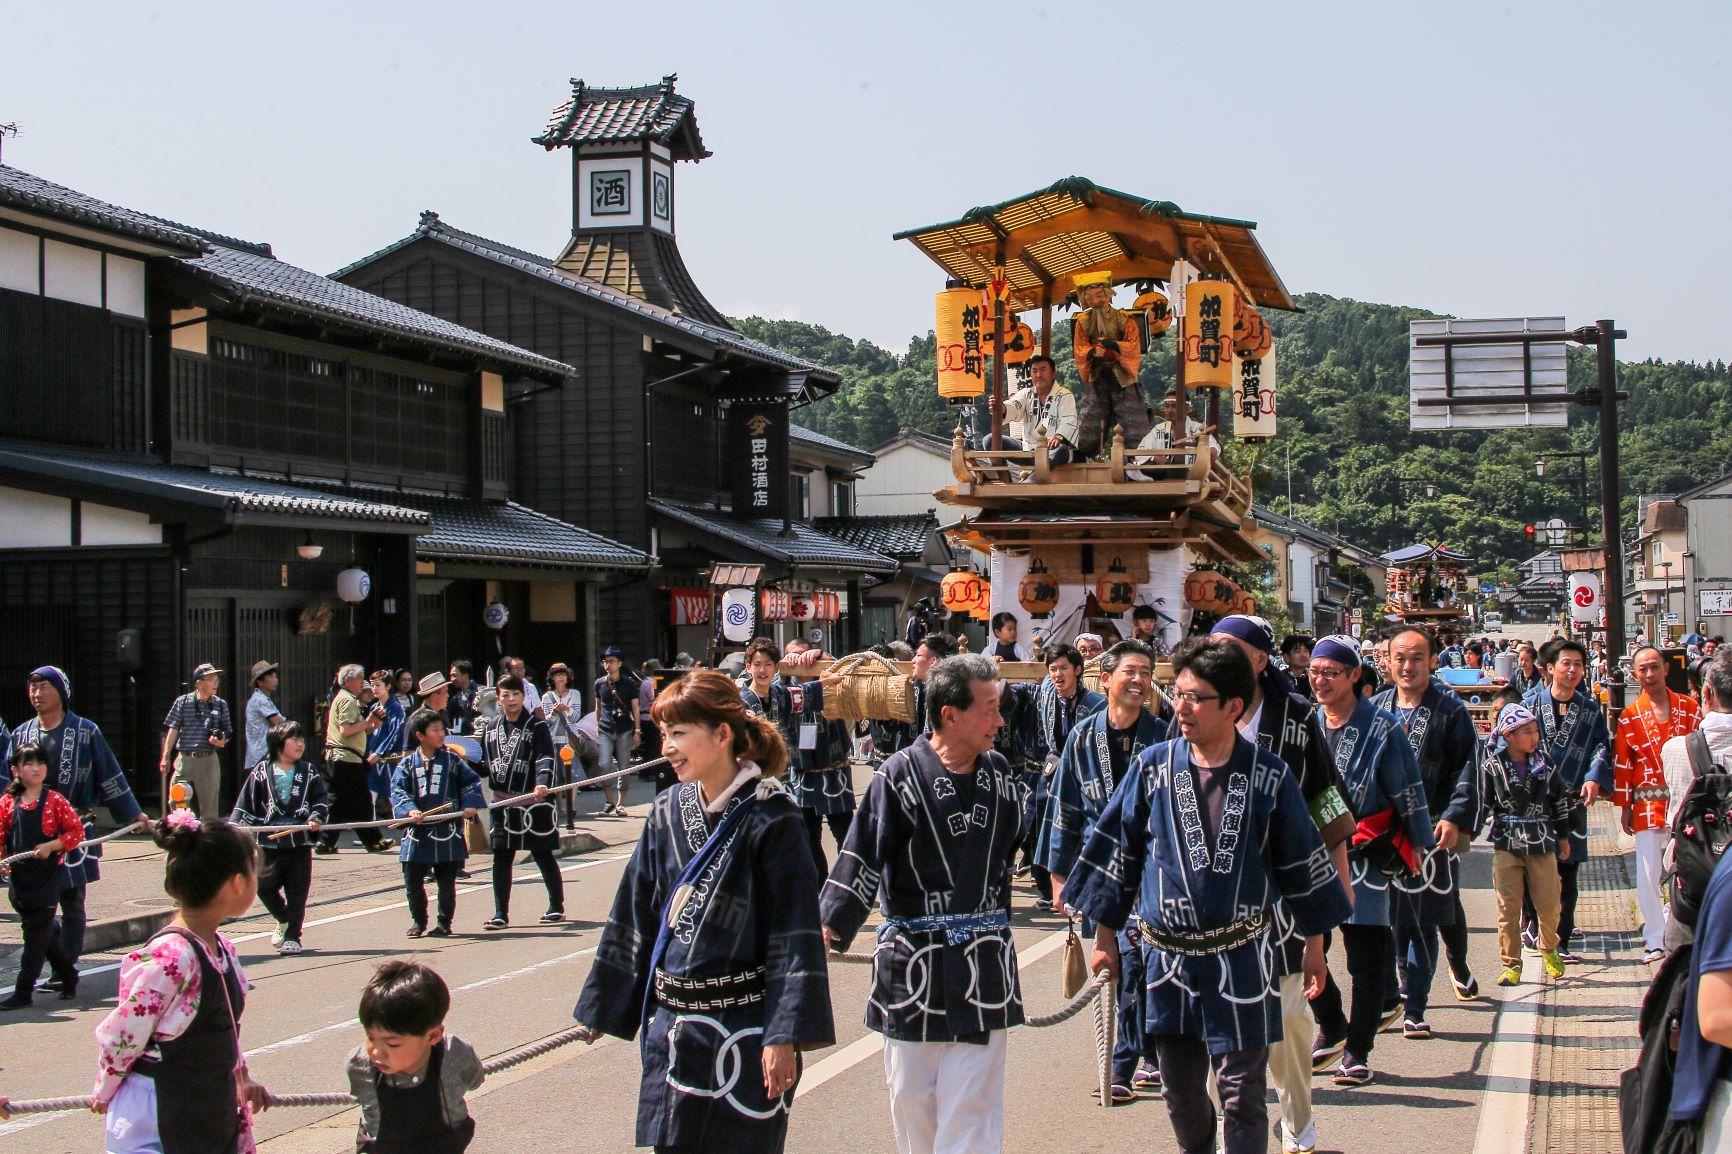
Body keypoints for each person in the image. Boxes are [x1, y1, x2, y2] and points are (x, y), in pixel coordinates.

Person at [1068, 639, 1352, 1154]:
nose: (1180, 708)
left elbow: (1299, 864)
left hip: (1244, 956)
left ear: (1233, 707)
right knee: (1181, 1096)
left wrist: (1315, 945)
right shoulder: (1153, 767)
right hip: (1168, 961)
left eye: (1195, 698)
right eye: (1177, 694)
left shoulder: (1269, 775)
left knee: (1243, 1094)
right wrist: (1105, 937)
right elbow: (1120, 853)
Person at [573, 670, 834, 1153]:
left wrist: (784, 1036)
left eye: (679, 734)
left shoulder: (774, 817)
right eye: (663, 735)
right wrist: (602, 1003)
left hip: (746, 1029)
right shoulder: (667, 809)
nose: (667, 747)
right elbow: (635, 909)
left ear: (722, 734)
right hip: (674, 1029)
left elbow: (793, 933)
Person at [822, 655, 1024, 1153]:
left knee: (973, 1111)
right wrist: (829, 925)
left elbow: (1038, 838)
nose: (1000, 721)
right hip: (912, 964)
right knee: (912, 1101)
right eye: (990, 709)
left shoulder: (1000, 775)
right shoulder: (899, 775)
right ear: (950, 715)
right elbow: (861, 852)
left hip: (983, 963)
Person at [1209, 615, 1354, 1154]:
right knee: (1218, 1019)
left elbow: (1325, 794)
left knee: (1290, 1017)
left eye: (1229, 648)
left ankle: (1298, 1117)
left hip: (1284, 884)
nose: (1216, 655)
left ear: (1259, 660)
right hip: (1212, 887)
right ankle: (1232, 1130)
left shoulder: (1295, 715)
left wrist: (1338, 869)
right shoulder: (1193, 702)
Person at [91, 814, 270, 1153]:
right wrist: (106, 1087)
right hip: (160, 1106)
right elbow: (124, 1034)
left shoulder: (223, 951)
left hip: (207, 1101)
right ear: (235, 883)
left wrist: (241, 1076)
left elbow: (224, 1028)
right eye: (253, 873)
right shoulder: (170, 957)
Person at [1305, 635, 1434, 1087]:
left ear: (1355, 676)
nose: (1320, 681)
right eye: (1314, 671)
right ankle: (1332, 1020)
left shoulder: (1381, 726)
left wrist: (1421, 843)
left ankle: (1358, 1050)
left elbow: (1407, 786)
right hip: (1310, 856)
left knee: (1365, 955)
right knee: (1298, 948)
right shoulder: (1304, 723)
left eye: (1330, 673)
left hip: (1364, 853)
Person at [1043, 639, 1167, 1101]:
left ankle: (1124, 1065)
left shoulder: (1164, 734)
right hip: (1099, 865)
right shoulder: (1082, 736)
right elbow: (1065, 809)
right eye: (1130, 671)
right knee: (1111, 967)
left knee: (1138, 965)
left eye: (1146, 672)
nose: (1139, 680)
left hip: (1150, 866)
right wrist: (1059, 877)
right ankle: (1146, 1053)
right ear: (1107, 679)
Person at [1372, 625, 1482, 1032]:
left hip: (1434, 831)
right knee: (1395, 920)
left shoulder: (1450, 710)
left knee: (1425, 917)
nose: (1407, 665)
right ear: (1387, 660)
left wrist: (1455, 816)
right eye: (1399, 657)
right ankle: (1405, 990)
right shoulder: (1378, 709)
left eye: (1417, 657)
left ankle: (1415, 1005)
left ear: (1433, 661)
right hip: (1385, 834)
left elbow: (1467, 766)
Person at [5, 665, 146, 980]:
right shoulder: (21, 734)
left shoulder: (85, 731)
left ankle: (62, 967)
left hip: (73, 829)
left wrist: (131, 813)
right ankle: (62, 965)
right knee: (27, 903)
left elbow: (109, 773)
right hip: (28, 833)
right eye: (33, 688)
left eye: (44, 687)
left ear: (62, 692)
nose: (37, 694)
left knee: (72, 901)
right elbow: (7, 786)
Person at [1521, 638, 1612, 961]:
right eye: (1566, 664)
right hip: (1534, 801)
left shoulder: (1589, 710)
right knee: (1532, 868)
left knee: (1568, 872)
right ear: (1551, 668)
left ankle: (1560, 939)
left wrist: (1592, 779)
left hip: (1572, 802)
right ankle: (1533, 922)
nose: (1572, 670)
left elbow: (1602, 747)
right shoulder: (1529, 706)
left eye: (1578, 665)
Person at [1617, 645, 1703, 963]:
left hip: (1687, 800)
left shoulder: (1691, 708)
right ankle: (1654, 936)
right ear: (1635, 674)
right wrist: (1624, 805)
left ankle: (1683, 932)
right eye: (1643, 669)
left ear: (1666, 668)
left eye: (1655, 667)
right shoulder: (1629, 717)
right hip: (1646, 803)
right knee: (1649, 872)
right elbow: (1623, 762)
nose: (1650, 674)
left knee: (1690, 868)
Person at [1478, 704, 1575, 987]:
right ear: (1508, 735)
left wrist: (1565, 836)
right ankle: (1511, 964)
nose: (1534, 737)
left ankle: (1548, 946)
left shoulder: (1544, 764)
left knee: (1549, 903)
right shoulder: (1492, 766)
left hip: (1542, 839)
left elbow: (1560, 800)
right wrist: (1465, 831)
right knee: (1507, 908)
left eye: (1535, 731)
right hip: (1507, 840)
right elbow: (1483, 803)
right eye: (1527, 732)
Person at [737, 639, 851, 874]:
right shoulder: (742, 700)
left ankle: (839, 885)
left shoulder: (781, 694)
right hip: (766, 780)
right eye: (757, 664)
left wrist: (822, 662)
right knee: (790, 840)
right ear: (748, 666)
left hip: (827, 770)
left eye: (768, 664)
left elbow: (815, 688)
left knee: (846, 834)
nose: (762, 670)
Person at [349, 960, 484, 1153]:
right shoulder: (360, 1065)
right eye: (371, 1037)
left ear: (433, 1036)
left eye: (392, 1043)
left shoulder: (453, 1054)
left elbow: (474, 1079)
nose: (377, 1052)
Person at [1006, 643, 1103, 911]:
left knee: (1080, 834)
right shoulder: (1042, 695)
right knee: (1038, 832)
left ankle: (1080, 889)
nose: (1057, 674)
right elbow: (1010, 697)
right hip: (1049, 774)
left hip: (1084, 778)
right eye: (1053, 669)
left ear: (1078, 670)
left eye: (1063, 668)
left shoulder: (1096, 705)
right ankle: (1048, 888)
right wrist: (997, 678)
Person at [229, 721, 328, 955]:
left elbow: (321, 800)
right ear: (278, 743)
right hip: (268, 841)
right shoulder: (261, 771)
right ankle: (283, 918)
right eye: (294, 739)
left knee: (297, 890)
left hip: (299, 841)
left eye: (302, 739)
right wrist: (233, 830)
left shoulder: (309, 771)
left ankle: (293, 935)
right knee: (263, 885)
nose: (300, 744)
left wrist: (316, 817)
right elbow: (244, 806)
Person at [0, 742, 84, 1007]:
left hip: (47, 879)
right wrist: (2, 861)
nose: (36, 769)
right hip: (20, 880)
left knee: (34, 937)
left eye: (40, 763)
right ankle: (69, 975)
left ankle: (24, 992)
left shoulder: (56, 801)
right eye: (28, 763)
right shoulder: (6, 803)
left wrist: (52, 845)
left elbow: (75, 832)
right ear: (16, 770)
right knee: (42, 934)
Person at [479, 675, 563, 929]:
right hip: (503, 802)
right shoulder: (491, 727)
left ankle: (556, 905)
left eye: (515, 694)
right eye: (506, 695)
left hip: (534, 798)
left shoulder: (537, 727)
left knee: (542, 853)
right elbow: (485, 764)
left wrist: (542, 782)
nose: (511, 699)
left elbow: (545, 757)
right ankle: (500, 913)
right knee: (502, 857)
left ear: (523, 696)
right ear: (499, 697)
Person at [391, 710, 483, 938]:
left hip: (447, 829)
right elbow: (398, 790)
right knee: (412, 879)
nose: (441, 734)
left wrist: (470, 803)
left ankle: (444, 923)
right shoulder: (407, 764)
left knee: (446, 882)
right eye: (435, 730)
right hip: (417, 830)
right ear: (420, 735)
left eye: (442, 729)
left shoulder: (452, 761)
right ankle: (418, 921)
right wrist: (410, 809)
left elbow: (471, 783)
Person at [1070, 269, 1149, 457]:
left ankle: (1140, 460)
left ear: (1108, 296)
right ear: (1084, 299)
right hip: (1097, 375)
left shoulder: (1123, 319)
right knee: (1089, 422)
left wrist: (1113, 345)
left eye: (1099, 296)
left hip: (1122, 376)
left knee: (1132, 423)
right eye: (1090, 297)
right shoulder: (1083, 322)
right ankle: (1081, 457)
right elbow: (1079, 349)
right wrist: (1091, 352)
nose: (1095, 301)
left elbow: (1133, 345)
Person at [318, 665, 393, 855]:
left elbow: (360, 730)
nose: (362, 682)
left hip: (341, 759)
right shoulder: (347, 700)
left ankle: (326, 842)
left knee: (338, 804)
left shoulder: (348, 699)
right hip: (345, 759)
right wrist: (369, 721)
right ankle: (374, 841)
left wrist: (373, 722)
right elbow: (346, 730)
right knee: (361, 801)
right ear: (347, 680)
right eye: (359, 678)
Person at [161, 663, 234, 820]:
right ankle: (182, 834)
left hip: (208, 758)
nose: (215, 683)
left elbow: (227, 731)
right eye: (210, 679)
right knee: (177, 800)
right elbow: (173, 729)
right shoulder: (182, 702)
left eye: (217, 679)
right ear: (198, 683)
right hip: (185, 758)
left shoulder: (221, 704)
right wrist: (166, 756)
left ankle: (207, 841)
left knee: (209, 810)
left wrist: (221, 740)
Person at [993, 354, 1078, 466]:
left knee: (1061, 449)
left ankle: (1035, 478)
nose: (1038, 375)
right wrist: (1001, 407)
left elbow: (1069, 421)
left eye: (1043, 370)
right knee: (991, 440)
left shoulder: (1064, 395)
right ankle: (1003, 478)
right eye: (1034, 371)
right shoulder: (1026, 394)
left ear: (1053, 374)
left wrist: (1058, 437)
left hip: (1052, 449)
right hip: (1028, 449)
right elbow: (1014, 405)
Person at [593, 647, 640, 816]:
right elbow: (598, 706)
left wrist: (638, 730)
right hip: (605, 728)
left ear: (620, 663)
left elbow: (635, 707)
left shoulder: (629, 683)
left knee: (624, 766)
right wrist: (597, 724)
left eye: (611, 661)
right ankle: (609, 801)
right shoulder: (599, 683)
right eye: (605, 661)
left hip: (625, 729)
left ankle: (620, 803)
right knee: (604, 764)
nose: (608, 664)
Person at [366, 669, 410, 812]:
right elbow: (370, 732)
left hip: (389, 757)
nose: (374, 689)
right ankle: (370, 823)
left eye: (378, 685)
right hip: (374, 756)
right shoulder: (374, 707)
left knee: (393, 791)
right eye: (372, 685)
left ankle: (402, 821)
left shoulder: (396, 708)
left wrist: (380, 751)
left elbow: (395, 733)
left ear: (388, 686)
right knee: (371, 790)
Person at [242, 661, 285, 770]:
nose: (276, 679)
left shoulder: (262, 699)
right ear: (260, 682)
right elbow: (279, 723)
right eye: (271, 676)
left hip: (262, 756)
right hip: (261, 756)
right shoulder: (260, 700)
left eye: (275, 676)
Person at [445, 662, 477, 735]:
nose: (452, 679)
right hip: (460, 737)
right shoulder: (455, 698)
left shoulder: (481, 692)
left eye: (454, 675)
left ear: (465, 675)